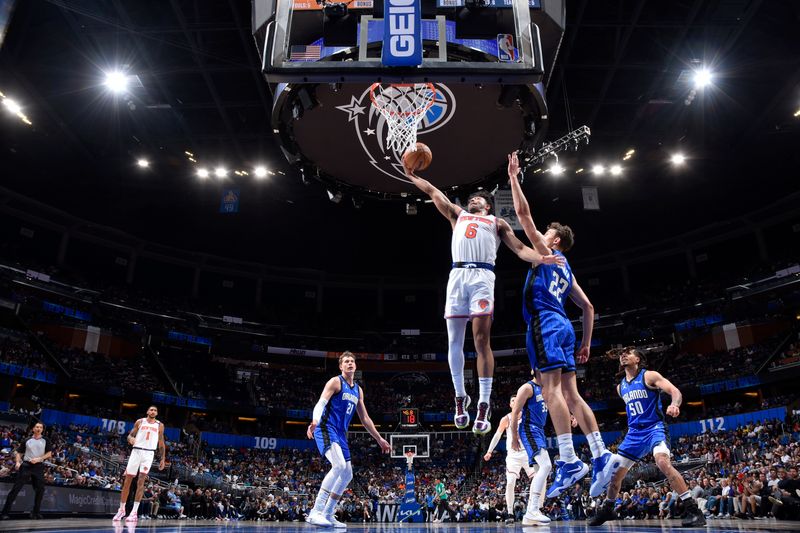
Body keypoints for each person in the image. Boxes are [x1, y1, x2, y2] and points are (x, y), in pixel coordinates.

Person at [404, 162, 565, 434]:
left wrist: (541, 258)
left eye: (479, 198)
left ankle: (483, 401)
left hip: (482, 277)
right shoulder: (457, 215)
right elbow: (433, 191)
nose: (474, 199)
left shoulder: (497, 223)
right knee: (454, 341)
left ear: (488, 206)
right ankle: (459, 396)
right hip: (457, 276)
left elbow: (520, 248)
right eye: (471, 198)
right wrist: (412, 175)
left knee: (480, 340)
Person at [507, 151, 613, 497]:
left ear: (553, 240)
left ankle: (568, 460)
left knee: (550, 391)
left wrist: (513, 177)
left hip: (546, 323)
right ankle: (599, 454)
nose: (543, 232)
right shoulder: (566, 269)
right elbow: (589, 306)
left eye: (547, 232)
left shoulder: (546, 252)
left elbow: (522, 213)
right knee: (572, 394)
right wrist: (585, 343)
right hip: (566, 327)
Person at [588, 347, 706, 527]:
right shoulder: (621, 387)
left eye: (628, 352)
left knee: (663, 463)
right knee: (615, 475)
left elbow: (675, 391)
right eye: (622, 353)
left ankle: (693, 510)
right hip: (634, 433)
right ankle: (608, 508)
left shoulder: (649, 376)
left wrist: (674, 404)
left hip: (654, 428)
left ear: (638, 359)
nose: (623, 355)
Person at [306, 352, 391, 528]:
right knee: (338, 466)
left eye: (352, 361)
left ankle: (329, 514)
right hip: (325, 427)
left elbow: (365, 419)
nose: (350, 363)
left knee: (347, 473)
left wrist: (380, 439)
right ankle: (316, 512)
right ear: (341, 366)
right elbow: (321, 403)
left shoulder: (358, 390)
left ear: (355, 366)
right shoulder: (335, 382)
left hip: (340, 433)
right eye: (346, 361)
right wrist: (314, 421)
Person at [508, 377, 553, 525]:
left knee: (540, 470)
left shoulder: (546, 387)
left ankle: (529, 515)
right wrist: (514, 436)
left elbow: (553, 406)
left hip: (539, 430)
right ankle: (533, 509)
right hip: (529, 429)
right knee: (546, 466)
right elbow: (515, 413)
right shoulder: (528, 387)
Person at [112, 406, 166, 523]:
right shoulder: (140, 421)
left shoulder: (159, 425)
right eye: (151, 410)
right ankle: (121, 509)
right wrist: (130, 438)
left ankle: (134, 512)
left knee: (141, 480)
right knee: (127, 480)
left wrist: (163, 458)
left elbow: (161, 442)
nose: (153, 411)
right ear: (147, 411)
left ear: (157, 413)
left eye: (155, 410)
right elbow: (130, 435)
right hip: (136, 451)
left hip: (149, 453)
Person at [0, 421, 52, 520]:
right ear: (33, 429)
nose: (39, 429)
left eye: (41, 427)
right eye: (37, 427)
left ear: (42, 430)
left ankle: (35, 513)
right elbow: (19, 453)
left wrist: (39, 459)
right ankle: (5, 513)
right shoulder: (27, 440)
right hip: (26, 466)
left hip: (38, 467)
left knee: (40, 490)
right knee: (16, 489)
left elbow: (49, 454)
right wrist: (18, 462)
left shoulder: (46, 440)